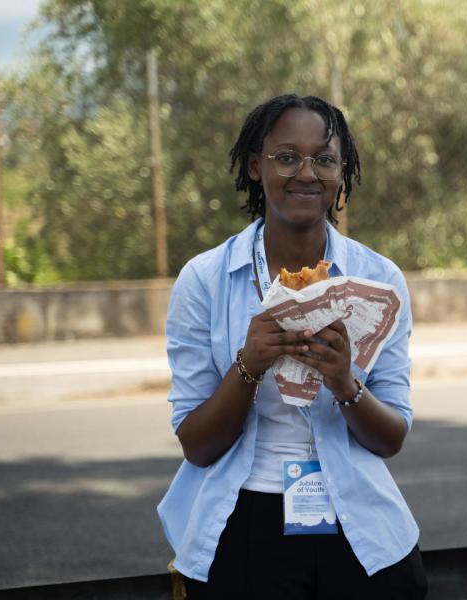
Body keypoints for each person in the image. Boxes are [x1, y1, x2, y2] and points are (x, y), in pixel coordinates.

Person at [158, 94, 427, 599]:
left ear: (341, 173)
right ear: (256, 167)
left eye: (324, 159)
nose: (307, 173)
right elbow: (196, 445)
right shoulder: (206, 279)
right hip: (243, 516)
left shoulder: (378, 279)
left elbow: (390, 438)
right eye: (287, 157)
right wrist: (248, 364)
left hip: (357, 518)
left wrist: (345, 383)